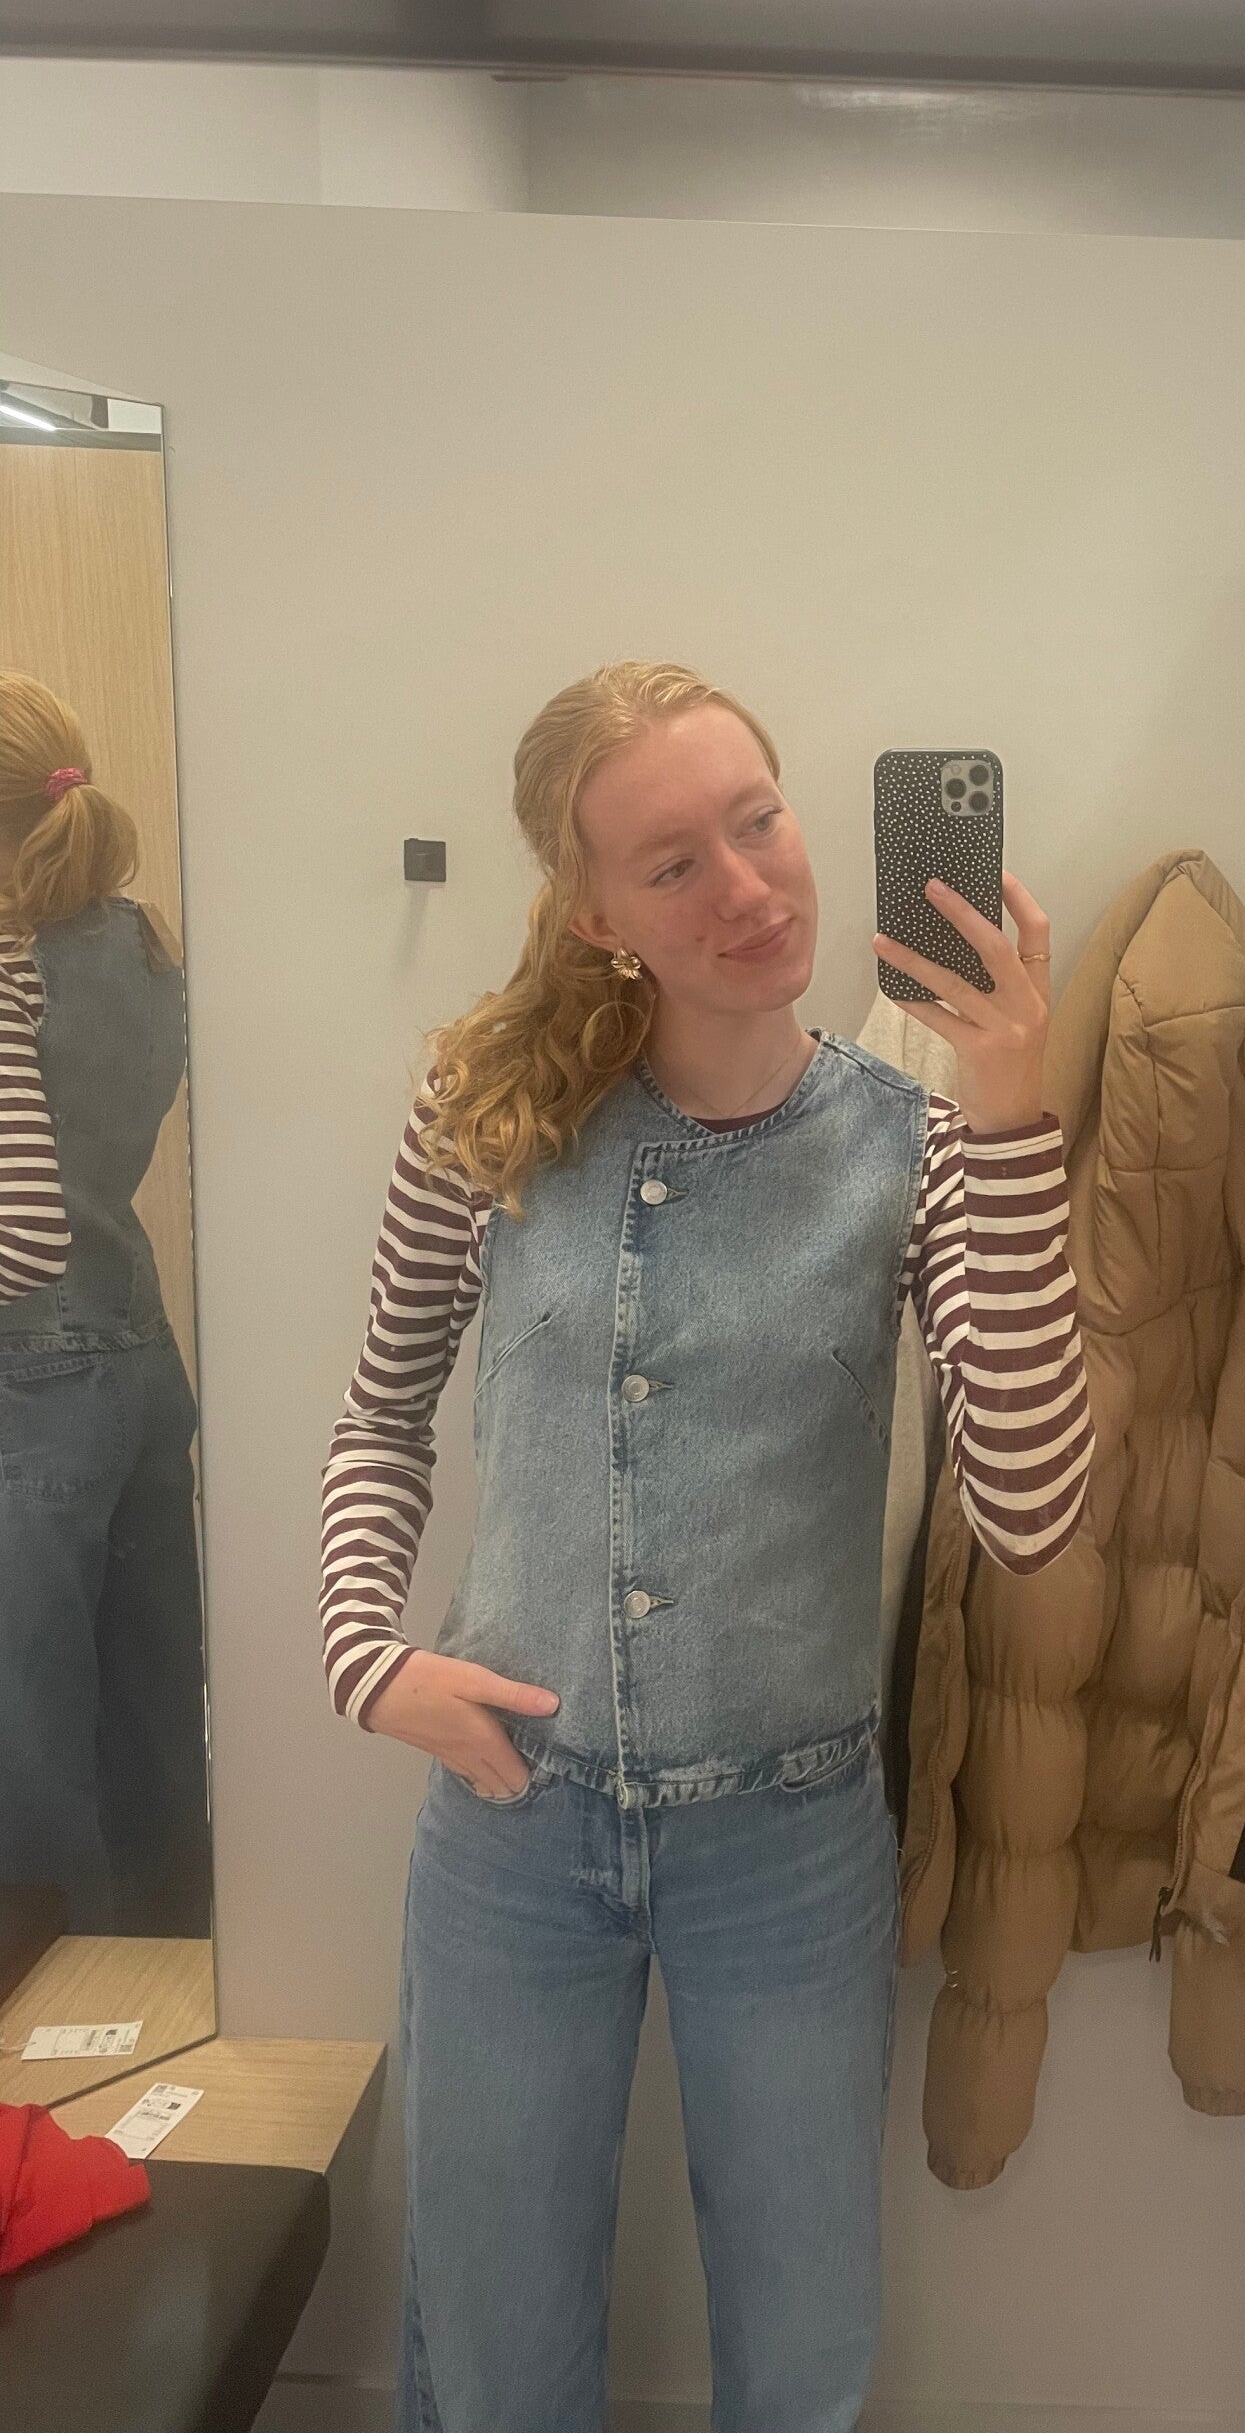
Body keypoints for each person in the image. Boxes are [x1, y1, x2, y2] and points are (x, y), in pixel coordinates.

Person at [319, 660, 1093, 2433]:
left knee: (803, 2357)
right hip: (515, 1822)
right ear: (596, 913)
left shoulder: (918, 1146)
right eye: (674, 864)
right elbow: (376, 1417)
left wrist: (1010, 1119)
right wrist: (367, 1661)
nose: (748, 888)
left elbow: (1034, 1511)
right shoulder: (484, 1119)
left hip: (789, 1836)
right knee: (493, 2347)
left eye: (760, 822)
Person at [0, 670, 209, 1939]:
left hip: (29, 1374)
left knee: (27, 1722)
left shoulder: (7, 965)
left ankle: (45, 1993)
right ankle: (167, 1964)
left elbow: (21, 1230)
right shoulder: (142, 944)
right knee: (152, 1698)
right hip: (136, 1347)